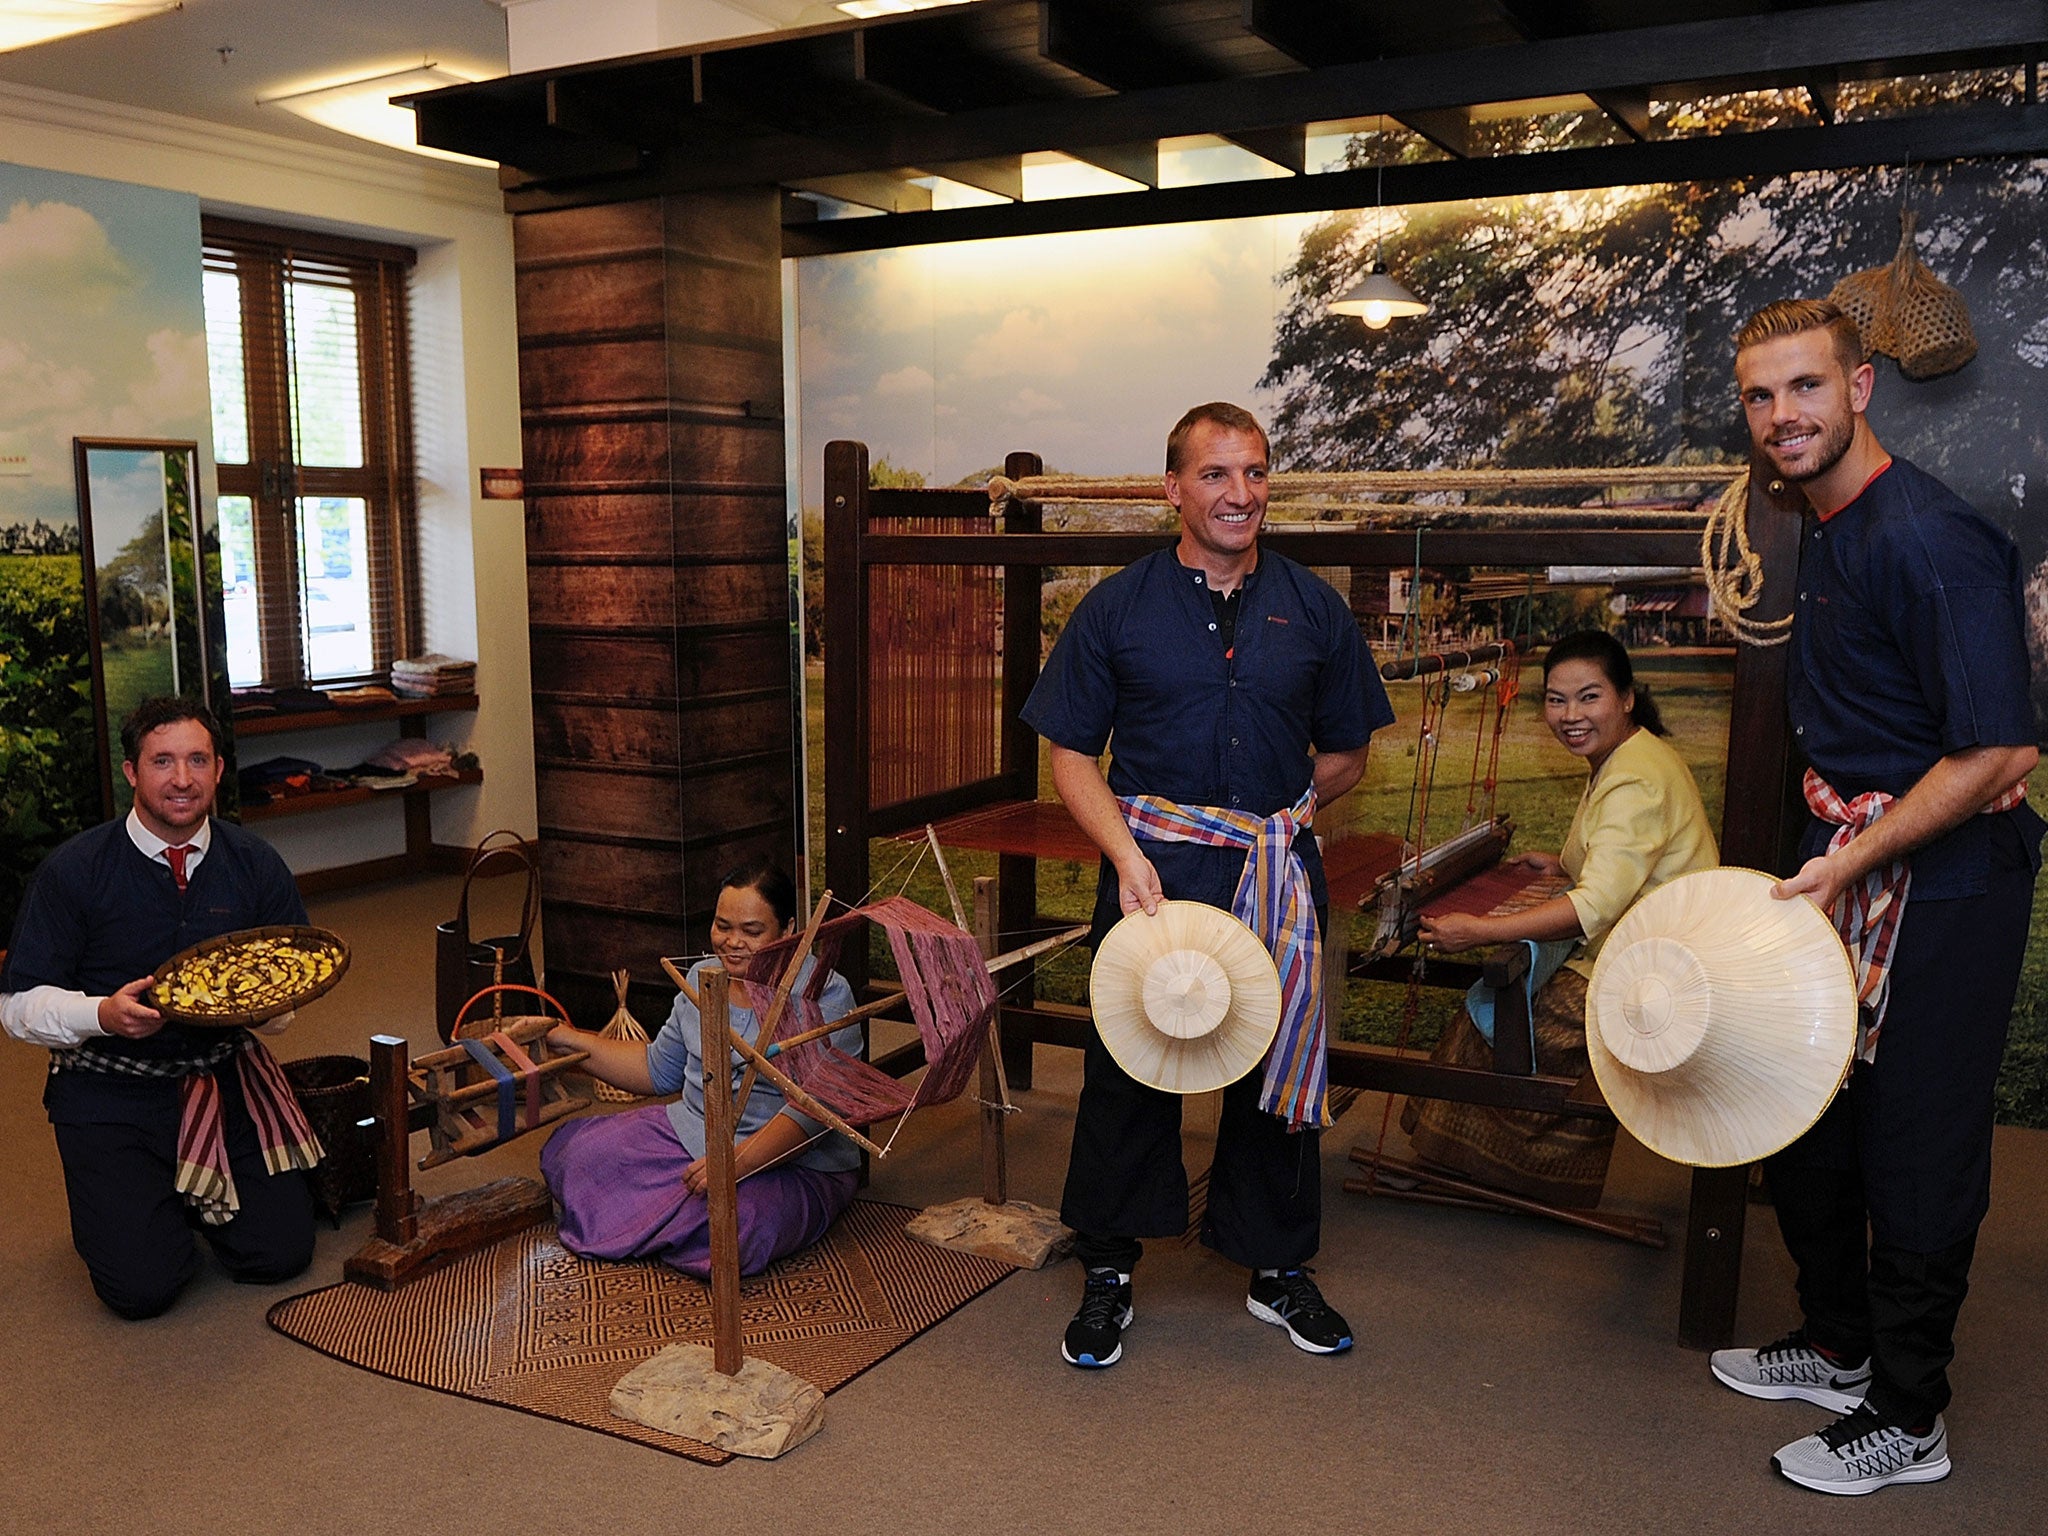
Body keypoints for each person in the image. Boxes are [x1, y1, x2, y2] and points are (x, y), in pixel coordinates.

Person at [1708, 298, 2041, 1495]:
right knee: (1810, 1117)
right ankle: (1840, 1345)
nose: (1780, 416)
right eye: (1759, 395)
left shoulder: (1927, 538)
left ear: (1858, 389)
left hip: (1946, 883)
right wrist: (1830, 852)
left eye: (1804, 388)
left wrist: (1847, 858)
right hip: (1843, 858)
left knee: (1915, 1146)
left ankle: (1908, 1413)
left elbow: (1999, 753)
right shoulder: (1823, 523)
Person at [1021, 401, 1395, 1368]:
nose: (1242, 494)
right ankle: (1108, 1266)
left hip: (1271, 866)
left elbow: (1347, 753)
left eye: (1258, 473)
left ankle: (1275, 1267)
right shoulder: (1116, 608)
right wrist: (1128, 853)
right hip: (1153, 868)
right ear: (1174, 489)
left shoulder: (1312, 607)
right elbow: (1068, 754)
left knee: (1272, 1059)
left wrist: (1268, 826)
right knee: (1128, 1066)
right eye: (1219, 475)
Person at [0, 697, 320, 1318]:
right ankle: (145, 1201)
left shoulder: (255, 863)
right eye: (163, 761)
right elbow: (15, 1006)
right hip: (108, 1090)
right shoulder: (74, 871)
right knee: (142, 1291)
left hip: (223, 1078)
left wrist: (258, 1007)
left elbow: (290, 989)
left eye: (198, 760)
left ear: (220, 769)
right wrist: (102, 1015)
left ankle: (182, 1190)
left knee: (280, 1255)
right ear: (131, 772)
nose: (182, 779)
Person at [1408, 631, 1718, 1205]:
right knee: (1496, 1000)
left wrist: (1477, 930)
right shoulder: (1625, 755)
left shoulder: (1634, 776)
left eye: (1588, 697)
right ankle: (1474, 1162)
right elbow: (1619, 858)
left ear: (1626, 697)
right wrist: (1560, 862)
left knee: (1503, 1015)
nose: (1570, 715)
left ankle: (1512, 1170)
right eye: (1556, 699)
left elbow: (1592, 907)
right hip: (1637, 945)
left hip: (1651, 969)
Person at [540, 858, 861, 1278]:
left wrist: (734, 1163)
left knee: (736, 1229)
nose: (732, 942)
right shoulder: (702, 977)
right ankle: (661, 1222)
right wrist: (567, 1037)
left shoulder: (824, 993)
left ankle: (652, 1220)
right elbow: (656, 1070)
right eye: (722, 926)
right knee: (580, 1154)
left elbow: (814, 1113)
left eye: (752, 931)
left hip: (787, 1160)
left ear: (788, 930)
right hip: (695, 1132)